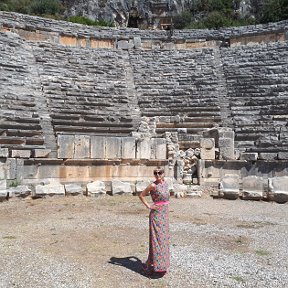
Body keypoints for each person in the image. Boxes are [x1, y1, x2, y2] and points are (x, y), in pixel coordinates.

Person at [138, 167, 170, 276]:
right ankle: (156, 265)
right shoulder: (153, 185)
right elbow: (141, 195)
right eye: (155, 173)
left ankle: (155, 263)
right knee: (157, 239)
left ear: (163, 173)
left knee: (164, 239)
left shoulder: (165, 183)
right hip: (156, 215)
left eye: (159, 172)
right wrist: (149, 206)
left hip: (165, 214)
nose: (157, 174)